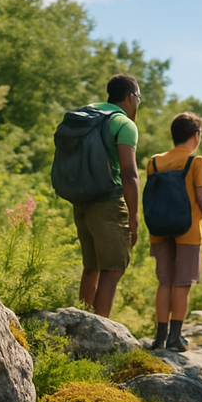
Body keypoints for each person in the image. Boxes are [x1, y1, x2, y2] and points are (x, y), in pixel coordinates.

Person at [74, 73, 141, 318]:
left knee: (91, 267)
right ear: (130, 97)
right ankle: (98, 329)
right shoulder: (123, 124)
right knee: (113, 269)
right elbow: (129, 174)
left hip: (81, 199)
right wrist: (133, 217)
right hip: (108, 203)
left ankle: (80, 323)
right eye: (139, 98)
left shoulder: (87, 115)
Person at [147, 112, 202, 351]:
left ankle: (159, 337)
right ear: (196, 136)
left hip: (159, 229)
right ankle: (175, 337)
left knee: (164, 282)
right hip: (188, 230)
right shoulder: (197, 162)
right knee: (182, 283)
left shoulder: (153, 162)